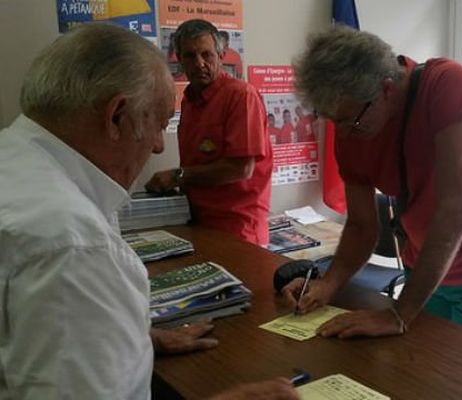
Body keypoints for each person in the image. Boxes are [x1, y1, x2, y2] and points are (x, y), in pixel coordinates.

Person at [0, 23, 297, 399]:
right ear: (116, 116)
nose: (158, 146)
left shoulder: (12, 158)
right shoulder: (76, 248)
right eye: (157, 125)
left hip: (237, 221)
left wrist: (130, 338)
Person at [283, 26, 462, 340]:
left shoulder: (447, 84)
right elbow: (361, 225)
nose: (341, 134)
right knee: (420, 370)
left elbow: (456, 213)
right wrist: (328, 283)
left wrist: (398, 314)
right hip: (422, 264)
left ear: (385, 89)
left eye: (348, 120)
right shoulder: (353, 123)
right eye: (332, 120)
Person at [146, 19, 273, 246]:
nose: (199, 63)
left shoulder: (241, 96)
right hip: (197, 222)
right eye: (190, 56)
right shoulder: (188, 100)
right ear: (179, 60)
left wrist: (177, 176)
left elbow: (242, 168)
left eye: (207, 54)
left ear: (221, 55)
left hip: (238, 229)